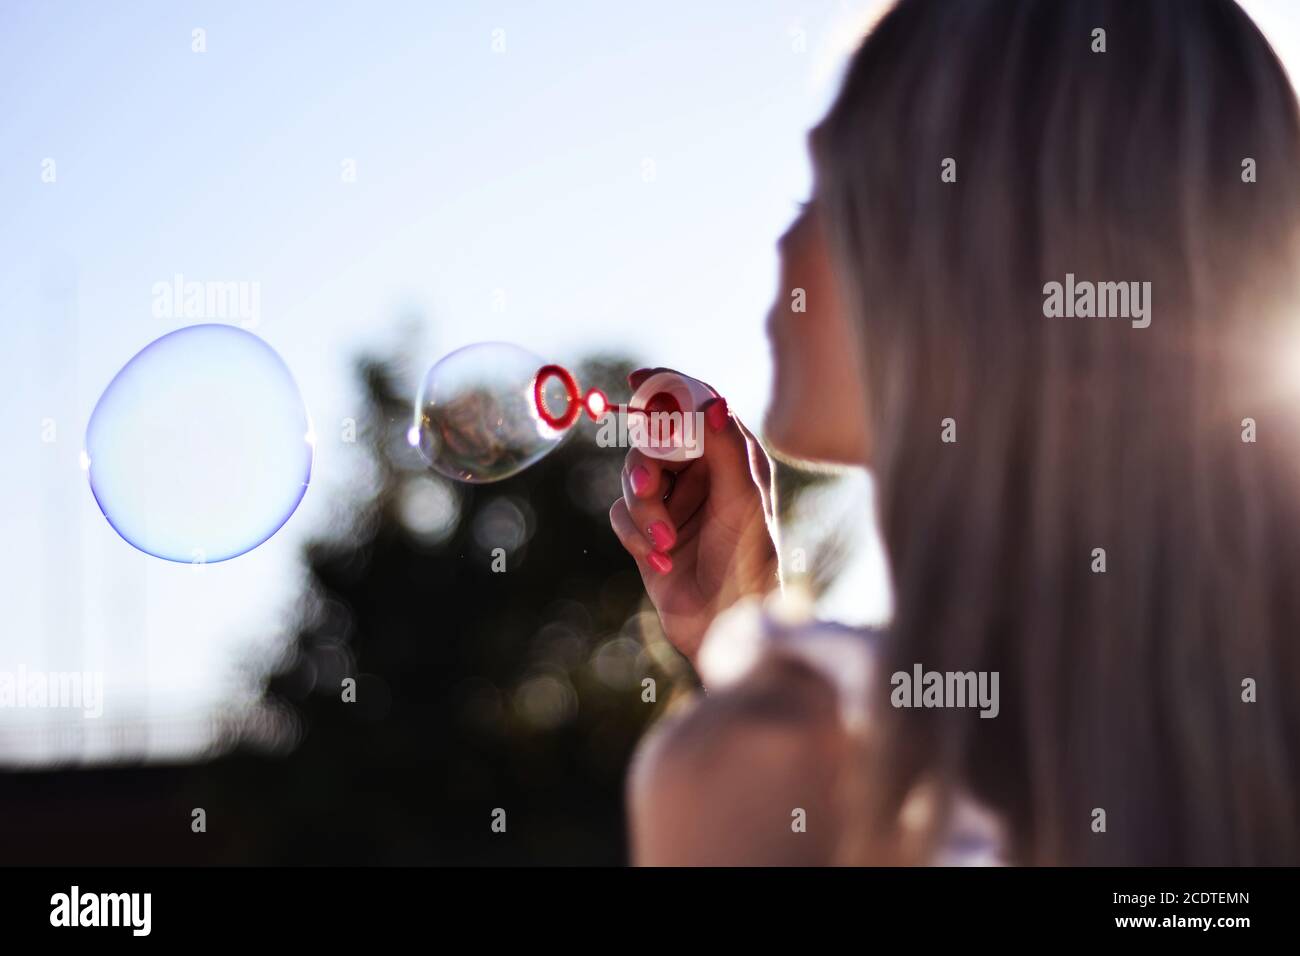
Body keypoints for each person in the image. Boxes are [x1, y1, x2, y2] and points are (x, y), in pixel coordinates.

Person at [609, 0, 1300, 866]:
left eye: (825, 190)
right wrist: (738, 628)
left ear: (973, 248)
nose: (785, 242)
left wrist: (755, 712)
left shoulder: (765, 769)